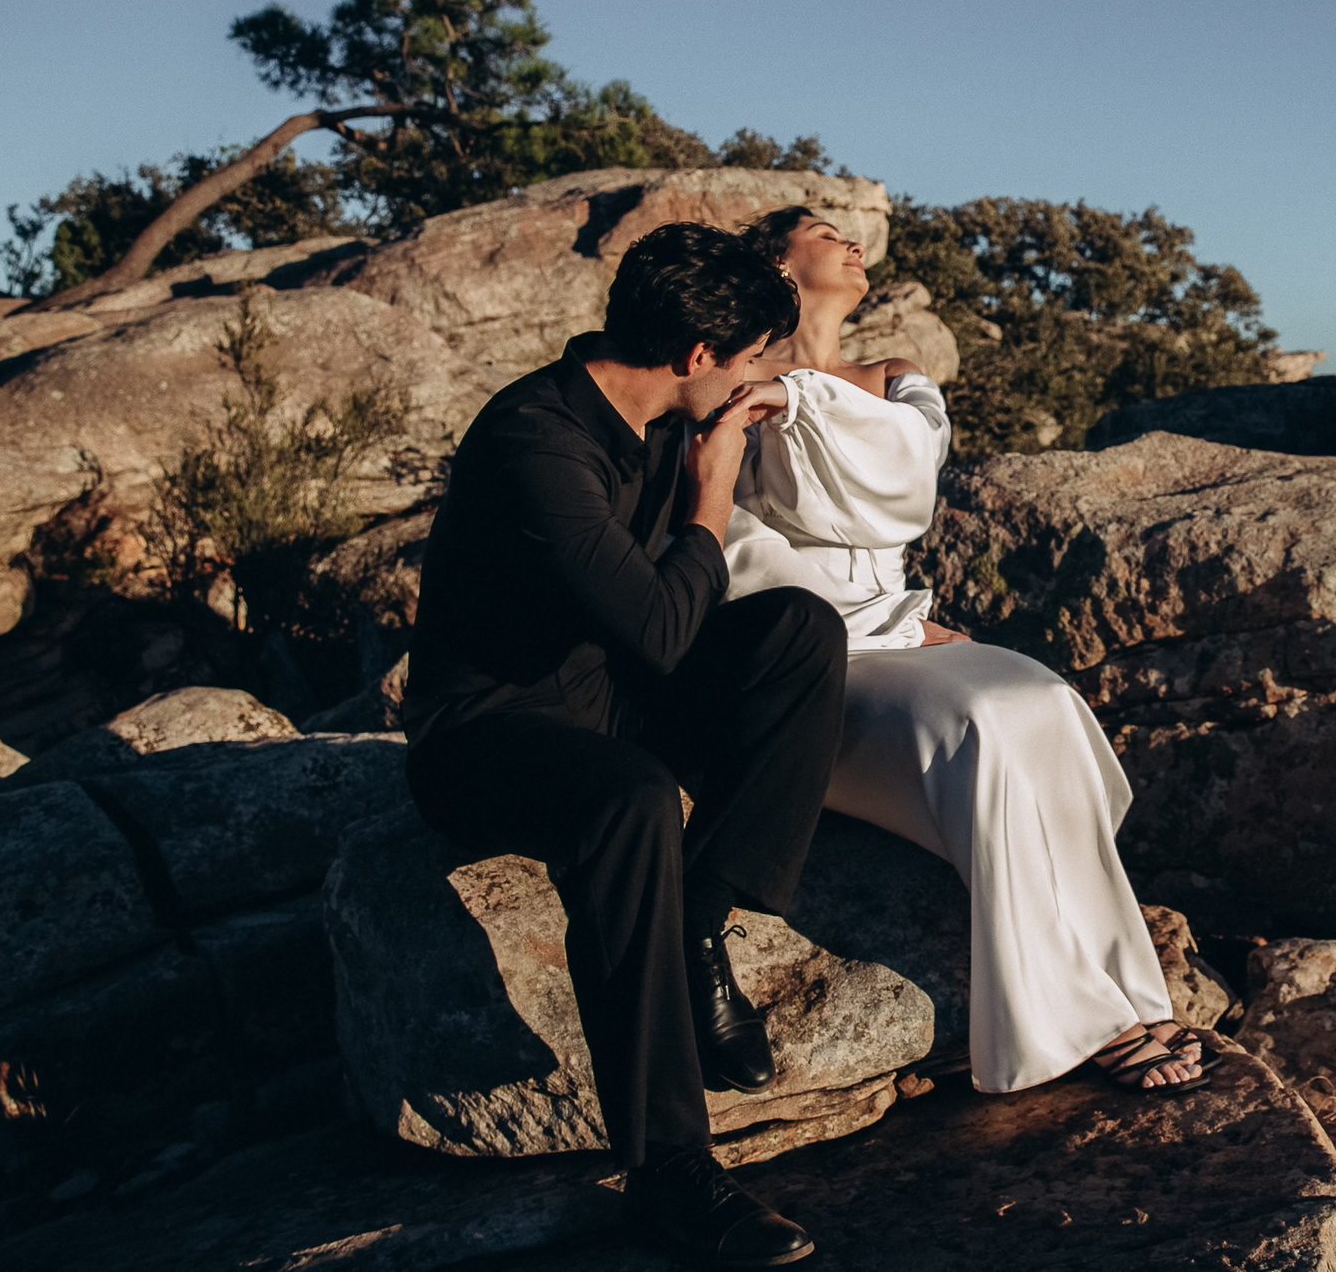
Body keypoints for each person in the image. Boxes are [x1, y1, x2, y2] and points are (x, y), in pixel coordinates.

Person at [403, 222, 842, 1268]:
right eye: (749, 361)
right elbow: (657, 627)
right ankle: (670, 1175)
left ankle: (698, 915)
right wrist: (712, 487)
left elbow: (662, 638)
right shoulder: (535, 441)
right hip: (486, 737)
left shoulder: (654, 415)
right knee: (633, 798)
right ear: (697, 358)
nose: (757, 378)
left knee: (798, 634)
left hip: (613, 692)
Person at [721, 206, 1213, 1096]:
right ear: (780, 269)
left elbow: (903, 471)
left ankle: (1126, 985)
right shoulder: (730, 390)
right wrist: (778, 396)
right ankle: (1083, 1021)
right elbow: (733, 543)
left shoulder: (892, 379)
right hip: (813, 653)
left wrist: (798, 397)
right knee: (983, 721)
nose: (849, 238)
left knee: (1046, 701)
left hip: (901, 628)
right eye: (823, 230)